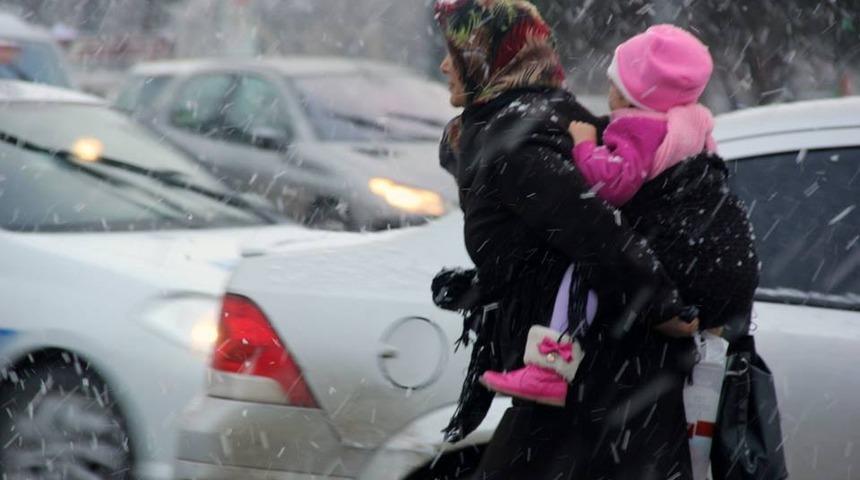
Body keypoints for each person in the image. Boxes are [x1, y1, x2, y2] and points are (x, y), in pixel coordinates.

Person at [431, 1, 712, 478]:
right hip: (596, 387)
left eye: (455, 53)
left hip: (594, 391)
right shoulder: (538, 118)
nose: (443, 66)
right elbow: (550, 244)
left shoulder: (519, 140)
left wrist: (662, 306)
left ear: (487, 58)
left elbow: (593, 231)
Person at [479, 25, 760, 413]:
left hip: (657, 276)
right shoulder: (691, 125)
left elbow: (614, 184)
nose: (608, 92)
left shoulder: (637, 125)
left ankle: (551, 365)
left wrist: (584, 147)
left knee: (580, 268)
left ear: (632, 93)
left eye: (614, 82)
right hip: (701, 274)